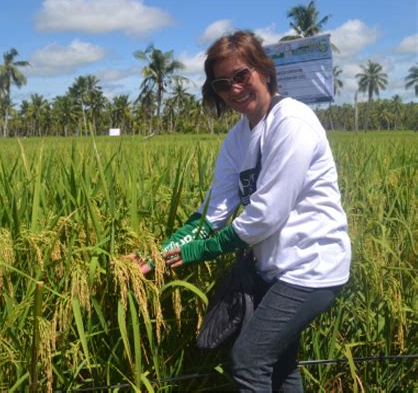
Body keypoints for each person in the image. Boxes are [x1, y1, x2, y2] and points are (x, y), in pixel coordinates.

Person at [131, 30, 351, 392]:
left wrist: (195, 252)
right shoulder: (237, 138)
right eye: (221, 84)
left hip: (312, 266)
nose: (234, 89)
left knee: (249, 360)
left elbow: (265, 215)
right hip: (276, 268)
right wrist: (158, 253)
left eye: (240, 75)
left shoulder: (291, 123)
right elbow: (213, 212)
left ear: (264, 70)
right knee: (279, 365)